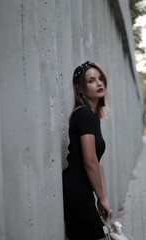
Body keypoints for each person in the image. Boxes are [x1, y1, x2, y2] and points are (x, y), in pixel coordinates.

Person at [62, 61, 112, 240]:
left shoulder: (91, 116)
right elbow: (89, 161)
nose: (99, 83)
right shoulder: (83, 114)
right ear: (80, 89)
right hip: (77, 193)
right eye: (91, 80)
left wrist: (102, 196)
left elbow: (97, 162)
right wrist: (103, 199)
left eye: (101, 79)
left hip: (83, 191)